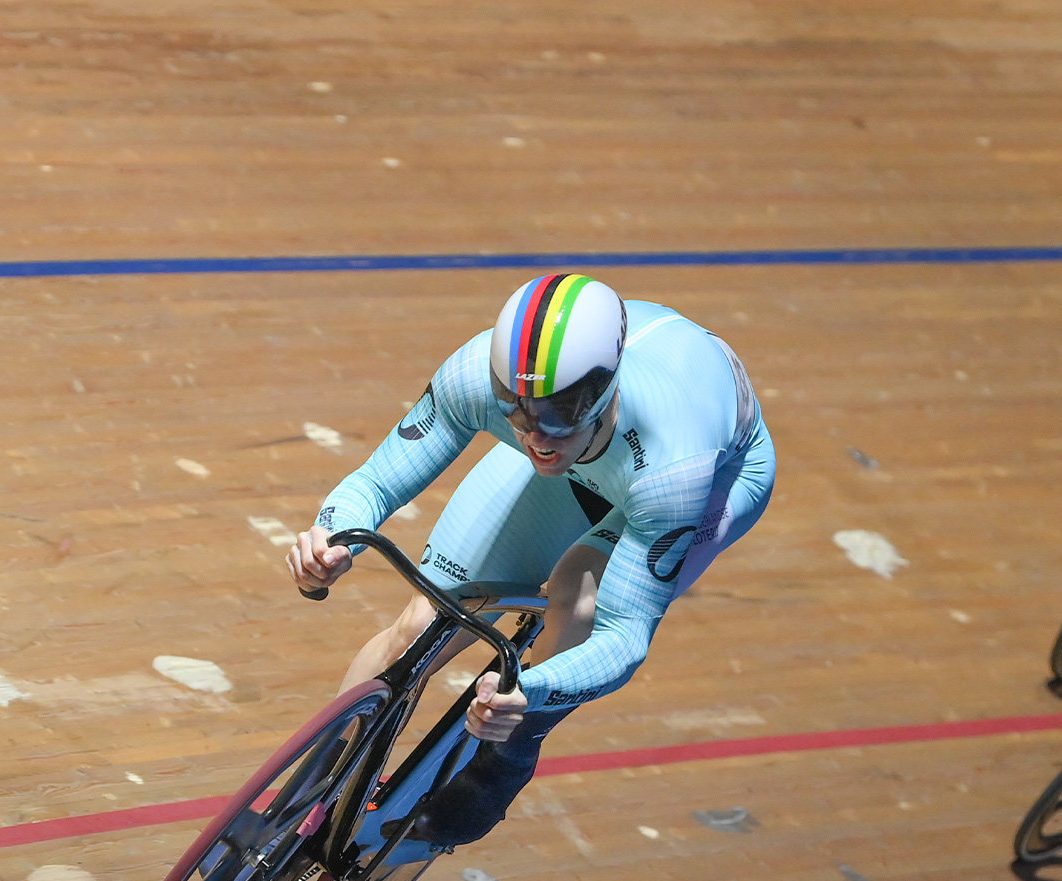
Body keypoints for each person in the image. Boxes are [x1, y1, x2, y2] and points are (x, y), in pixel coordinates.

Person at [286, 273, 774, 847]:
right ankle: (312, 785)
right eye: (516, 413)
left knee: (575, 590)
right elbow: (375, 481)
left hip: (712, 478)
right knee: (423, 624)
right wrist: (330, 535)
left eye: (558, 412)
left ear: (604, 391)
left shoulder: (674, 465)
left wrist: (532, 692)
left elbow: (624, 637)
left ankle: (505, 762)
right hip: (596, 455)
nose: (537, 436)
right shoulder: (480, 379)